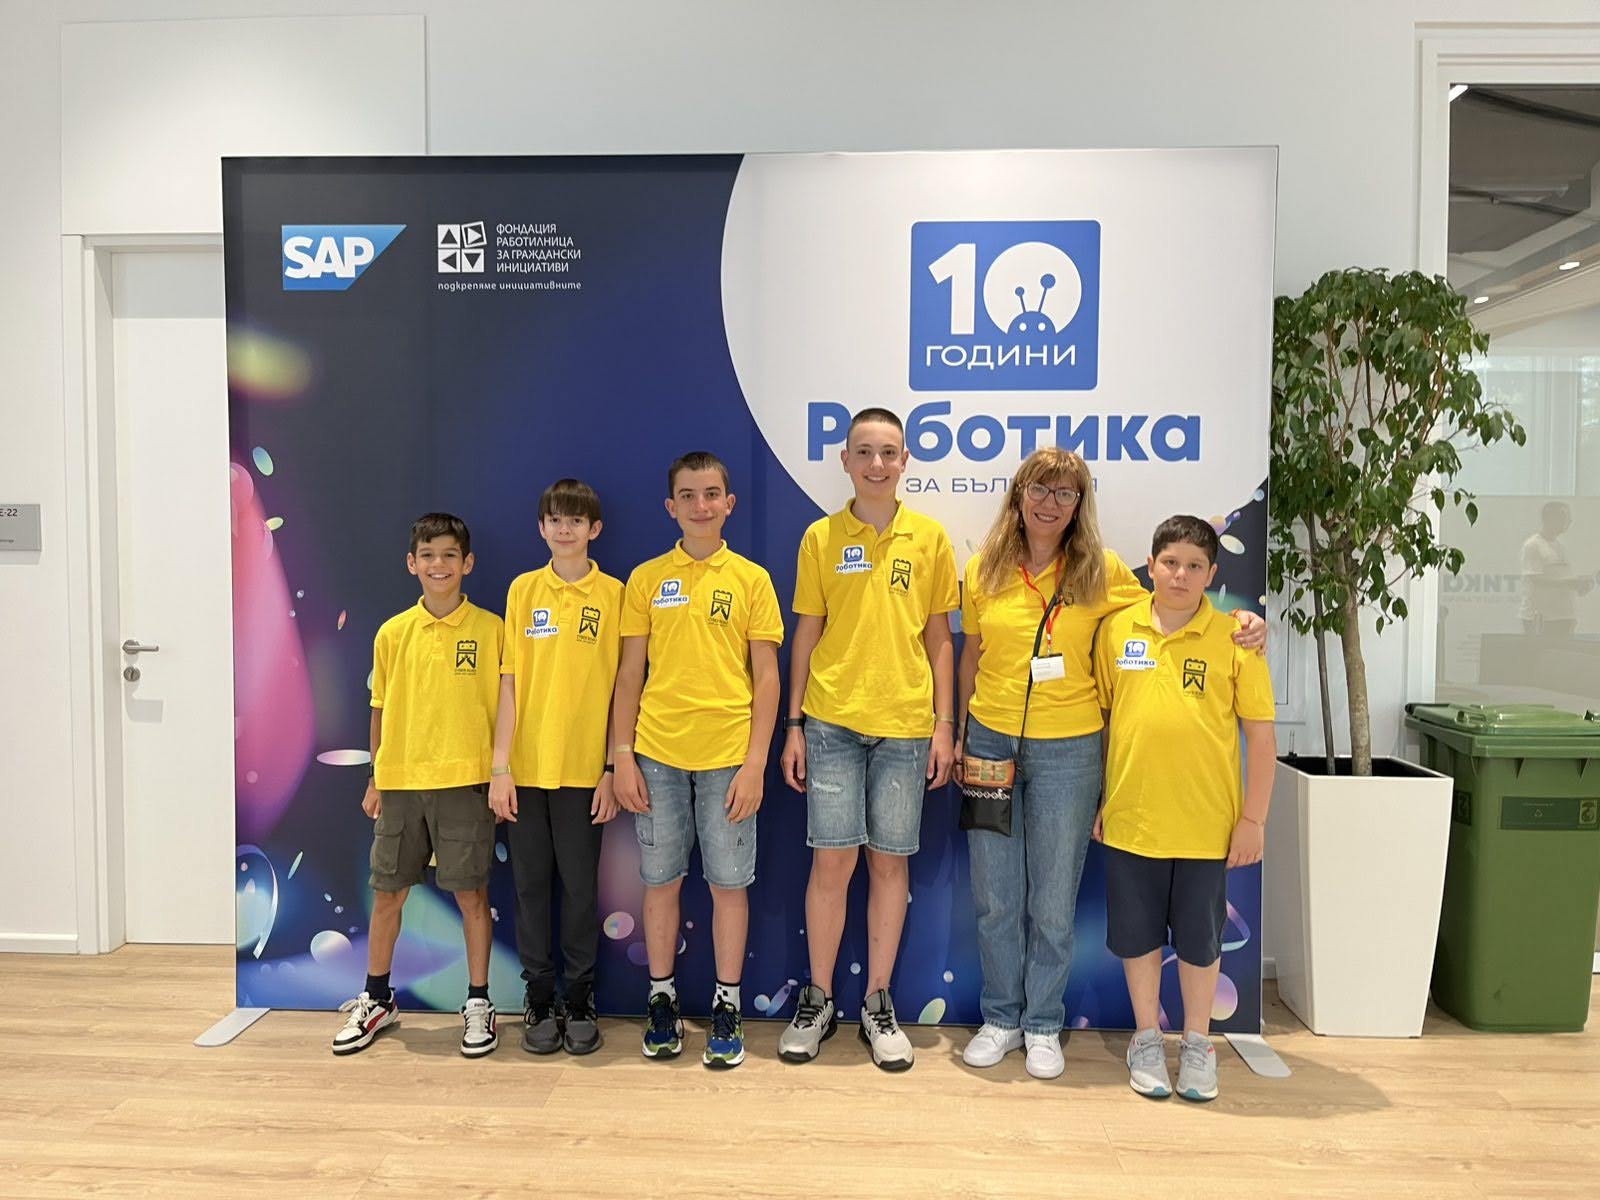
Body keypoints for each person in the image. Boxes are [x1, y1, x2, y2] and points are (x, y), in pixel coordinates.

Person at [954, 450, 1264, 1080]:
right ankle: (1000, 1017)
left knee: (1052, 898)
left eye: (1065, 494)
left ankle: (1042, 1023)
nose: (1050, 503)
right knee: (995, 896)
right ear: (1019, 494)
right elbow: (971, 654)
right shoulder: (983, 568)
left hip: (1069, 751)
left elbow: (1171, 604)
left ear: (1080, 505)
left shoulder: (1103, 571)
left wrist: (1243, 622)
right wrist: (962, 732)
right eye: (1040, 489)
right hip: (990, 744)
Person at [778, 407, 958, 1072]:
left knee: (888, 863)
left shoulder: (930, 537)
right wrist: (794, 725)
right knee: (832, 864)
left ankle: (877, 1003)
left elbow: (940, 638)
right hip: (830, 723)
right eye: (864, 452)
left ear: (905, 460)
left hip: (906, 728)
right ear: (846, 461)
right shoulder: (820, 538)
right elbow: (807, 633)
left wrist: (945, 725)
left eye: (888, 452)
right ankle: (819, 1000)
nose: (877, 464)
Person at [1092, 514, 1276, 1102]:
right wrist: (1102, 798)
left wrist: (1254, 820)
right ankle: (1146, 1038)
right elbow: (1104, 723)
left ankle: (1198, 1042)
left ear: (1212, 574)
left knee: (1200, 942)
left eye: (1195, 566)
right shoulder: (1117, 630)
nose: (1181, 574)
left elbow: (1261, 737)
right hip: (1133, 819)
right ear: (1150, 565)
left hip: (1206, 826)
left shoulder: (1236, 639)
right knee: (1137, 938)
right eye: (1170, 562)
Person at [612, 451, 783, 1069]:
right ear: (671, 506)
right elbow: (629, 674)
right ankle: (661, 1000)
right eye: (688, 495)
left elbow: (767, 678)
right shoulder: (646, 579)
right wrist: (622, 756)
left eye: (712, 494)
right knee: (660, 881)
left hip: (729, 757)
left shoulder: (752, 580)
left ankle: (727, 1005)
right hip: (656, 754)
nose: (701, 505)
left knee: (728, 886)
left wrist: (756, 762)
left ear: (728, 504)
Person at [333, 513, 505, 1057]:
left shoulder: (492, 630)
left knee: (471, 895)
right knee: (388, 892)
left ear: (467, 563)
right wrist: (376, 777)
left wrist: (500, 774)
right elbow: (379, 708)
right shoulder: (392, 633)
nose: (439, 565)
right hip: (401, 783)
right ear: (412, 564)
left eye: (449, 555)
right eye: (428, 555)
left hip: (466, 782)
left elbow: (507, 709)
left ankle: (478, 1002)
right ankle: (377, 998)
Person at [488, 479, 623, 1056]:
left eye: (576, 521)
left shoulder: (615, 594)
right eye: (555, 520)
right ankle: (539, 997)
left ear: (595, 529)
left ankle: (580, 998)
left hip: (584, 771)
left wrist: (612, 767)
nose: (565, 530)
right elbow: (509, 682)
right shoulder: (523, 590)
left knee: (580, 891)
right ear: (541, 528)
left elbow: (622, 688)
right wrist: (500, 766)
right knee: (529, 887)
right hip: (525, 769)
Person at [1520, 500, 1593, 637]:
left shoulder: (1560, 546)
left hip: (1564, 616)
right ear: (1550, 518)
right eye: (1564, 516)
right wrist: (1569, 583)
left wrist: (1579, 585)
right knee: (1542, 651)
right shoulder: (1533, 545)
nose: (1569, 521)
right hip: (1542, 618)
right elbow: (1535, 579)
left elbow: (1562, 578)